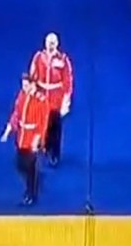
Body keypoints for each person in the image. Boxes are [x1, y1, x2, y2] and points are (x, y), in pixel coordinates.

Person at [1, 74, 49, 205]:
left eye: (26, 85)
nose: (24, 88)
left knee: (30, 167)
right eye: (23, 85)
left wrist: (37, 139)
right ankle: (34, 180)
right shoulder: (22, 95)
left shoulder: (41, 100)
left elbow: (42, 122)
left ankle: (31, 194)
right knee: (20, 165)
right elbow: (16, 113)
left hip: (32, 137)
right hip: (21, 135)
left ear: (33, 85)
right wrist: (8, 131)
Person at [29, 33, 74, 166]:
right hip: (43, 97)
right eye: (49, 42)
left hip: (56, 99)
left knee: (56, 127)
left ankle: (55, 153)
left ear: (57, 44)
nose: (51, 45)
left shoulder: (63, 59)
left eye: (53, 43)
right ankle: (45, 148)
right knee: (43, 125)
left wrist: (66, 98)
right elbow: (33, 75)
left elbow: (68, 80)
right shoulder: (38, 57)